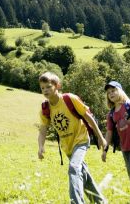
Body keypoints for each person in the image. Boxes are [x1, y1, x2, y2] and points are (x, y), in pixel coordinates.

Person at [37, 71, 107, 204]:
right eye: (42, 88)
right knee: (83, 175)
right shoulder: (45, 109)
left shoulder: (69, 99)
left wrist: (100, 137)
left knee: (74, 168)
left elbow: (88, 117)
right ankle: (100, 201)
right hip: (67, 146)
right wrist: (40, 146)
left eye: (48, 86)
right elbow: (43, 130)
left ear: (57, 86)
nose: (45, 90)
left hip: (81, 139)